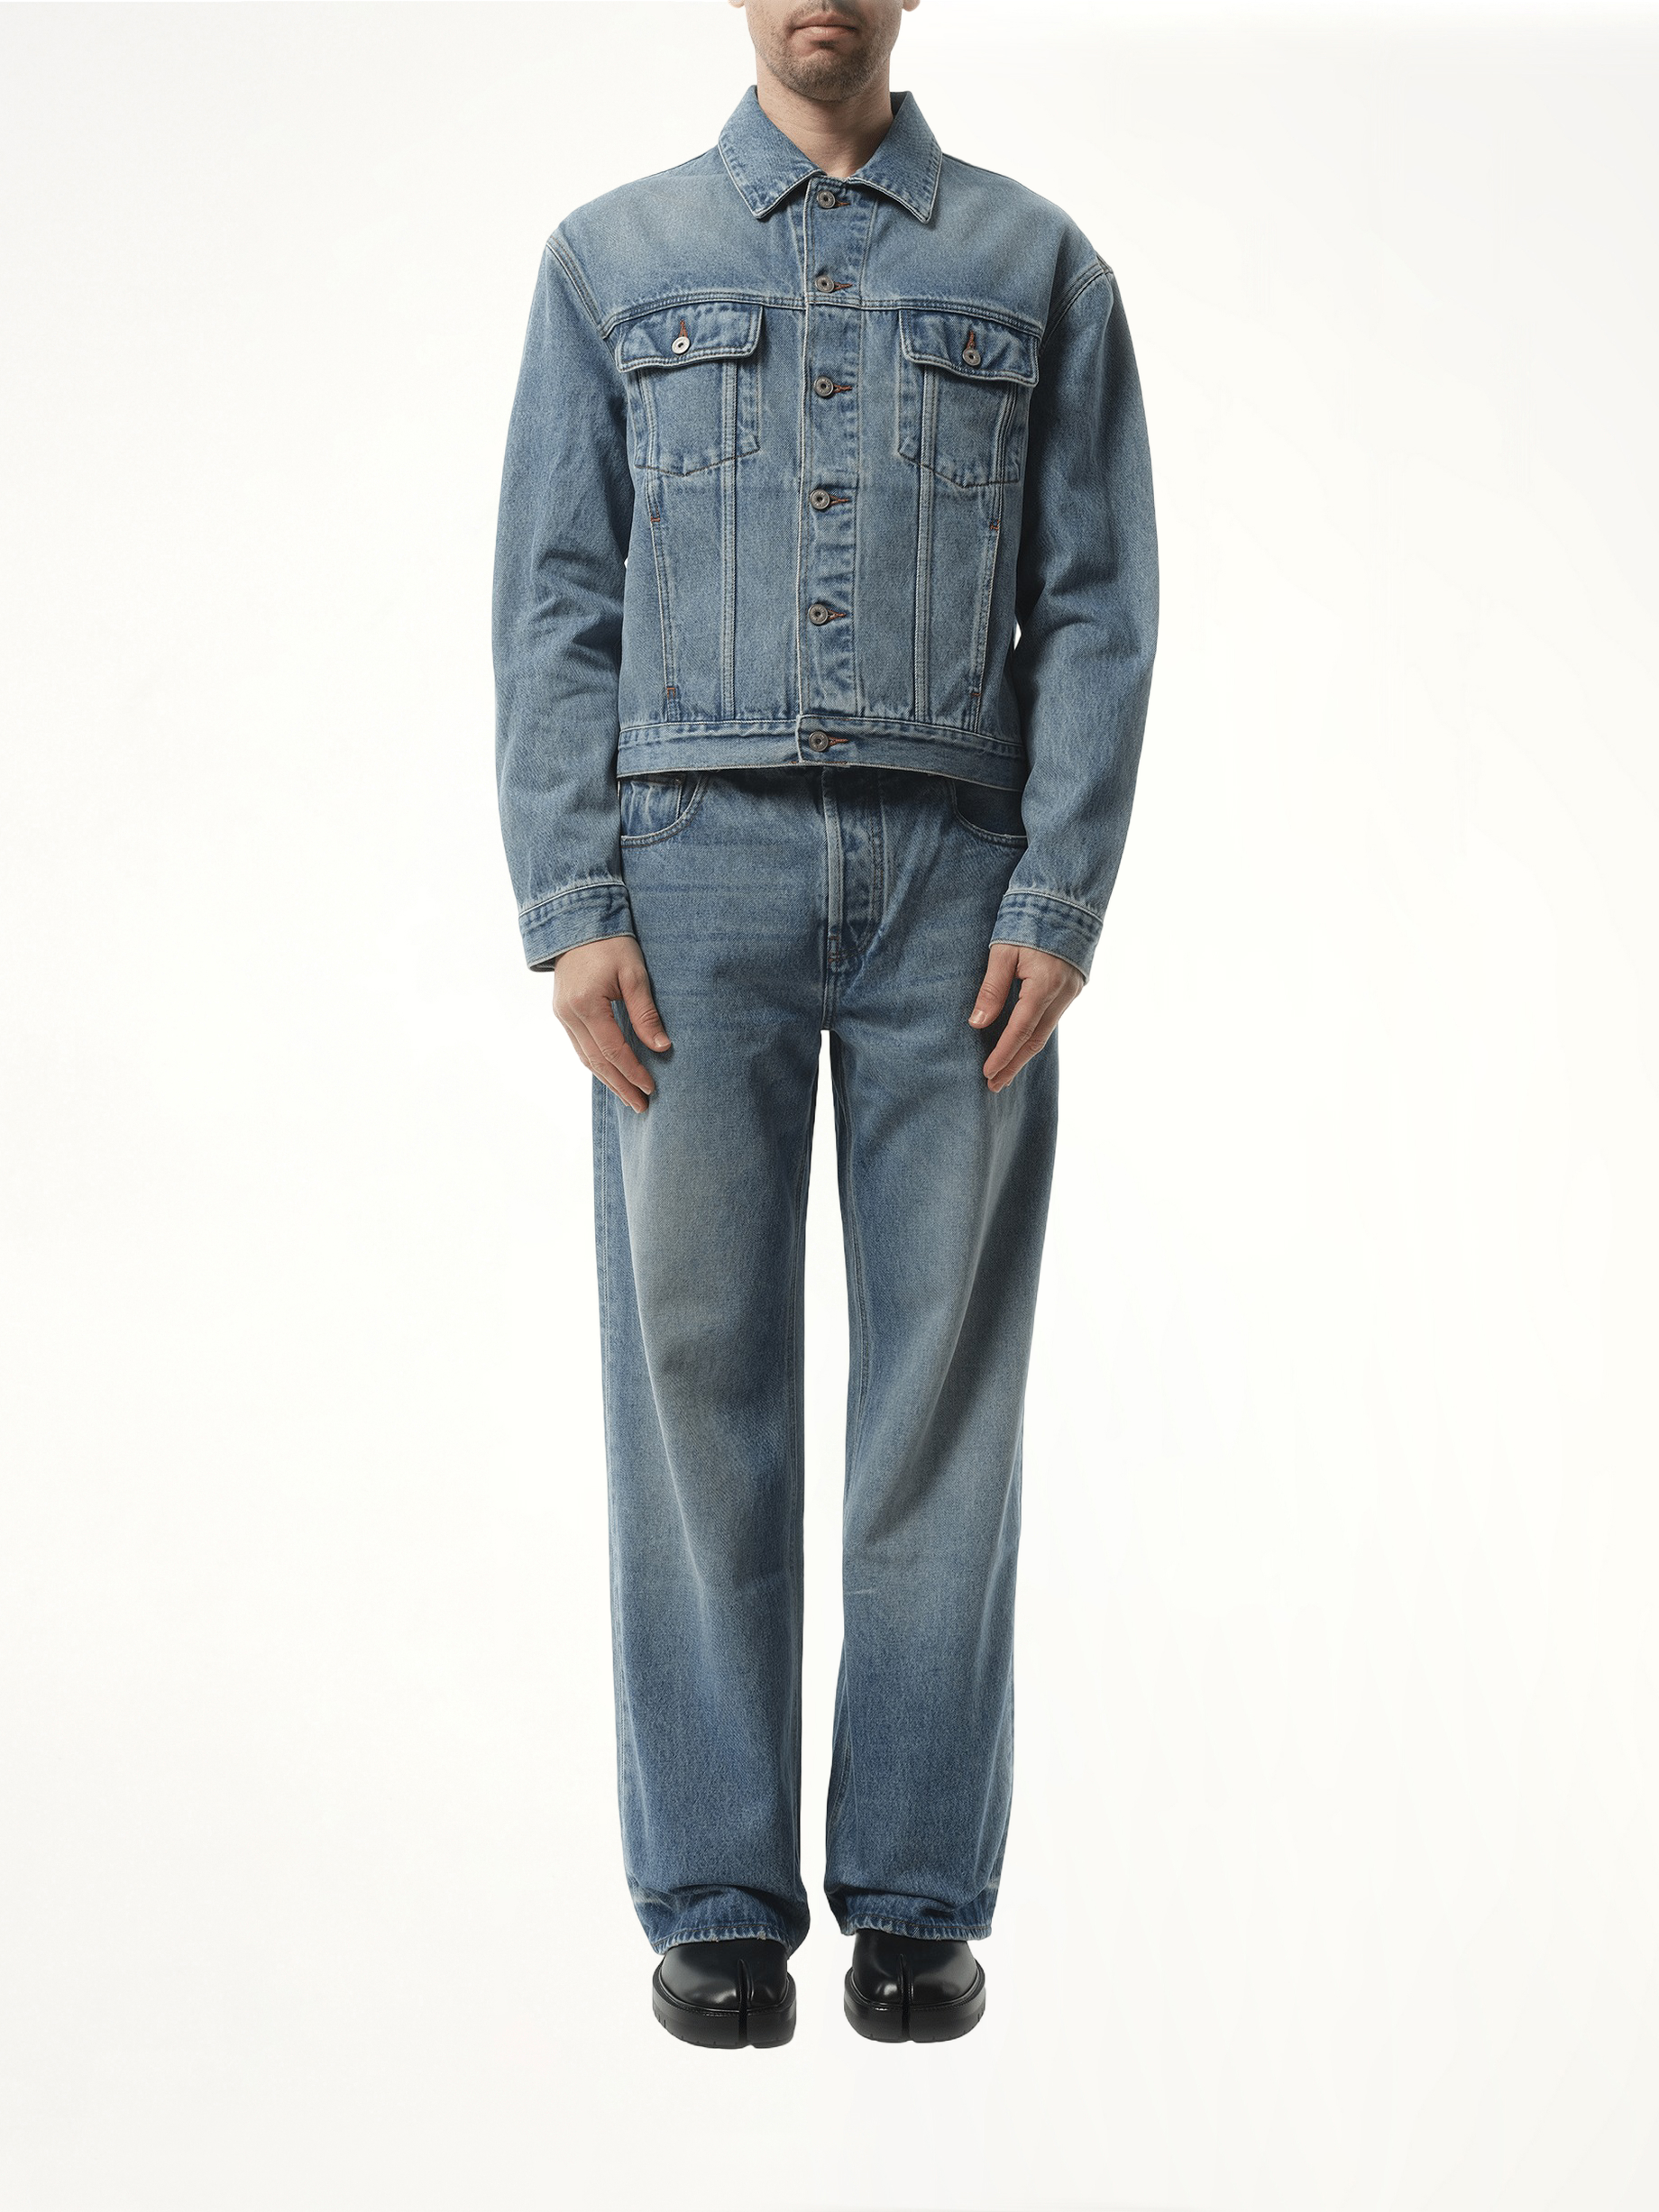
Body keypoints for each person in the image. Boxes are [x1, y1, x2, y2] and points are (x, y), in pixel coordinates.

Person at [492, 0, 1157, 2048]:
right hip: (688, 883)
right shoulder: (610, 259)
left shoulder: (1037, 263)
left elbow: (1097, 601)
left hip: (960, 892)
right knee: (694, 1386)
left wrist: (1057, 892)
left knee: (939, 1401)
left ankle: (917, 1896)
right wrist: (572, 902)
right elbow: (556, 595)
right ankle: (712, 1895)